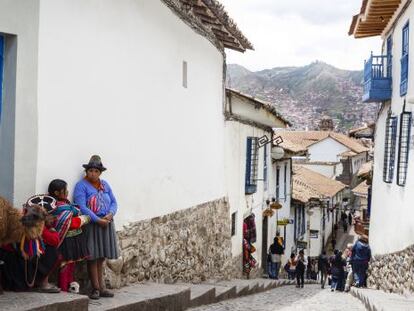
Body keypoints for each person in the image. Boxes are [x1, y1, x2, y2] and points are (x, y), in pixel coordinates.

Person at [74, 155, 119, 300]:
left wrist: (110, 214)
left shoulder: (105, 185)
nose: (93, 173)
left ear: (100, 173)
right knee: (93, 256)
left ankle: (102, 287)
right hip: (92, 224)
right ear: (87, 172)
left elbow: (114, 202)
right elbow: (81, 206)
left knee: (101, 257)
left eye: (96, 171)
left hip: (106, 223)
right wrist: (97, 219)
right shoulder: (81, 186)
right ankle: (95, 288)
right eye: (90, 171)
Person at [0, 211, 60, 293]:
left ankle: (41, 282)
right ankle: (42, 283)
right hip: (13, 258)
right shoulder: (33, 224)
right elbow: (54, 240)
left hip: (18, 257)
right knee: (52, 252)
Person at [47, 179, 90, 292]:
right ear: (56, 193)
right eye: (64, 190)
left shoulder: (64, 205)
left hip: (72, 242)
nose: (67, 192)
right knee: (64, 266)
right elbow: (69, 223)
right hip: (65, 243)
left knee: (70, 265)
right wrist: (83, 219)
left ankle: (69, 287)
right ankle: (64, 289)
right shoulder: (58, 208)